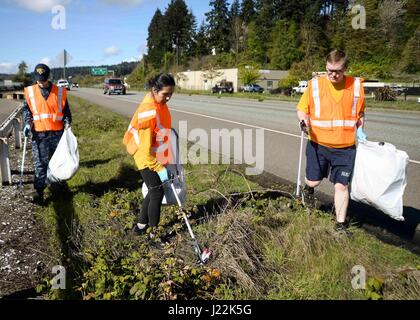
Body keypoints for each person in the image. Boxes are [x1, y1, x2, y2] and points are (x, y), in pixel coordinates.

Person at [296, 49, 367, 237]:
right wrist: (303, 121)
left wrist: (360, 127)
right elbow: (302, 109)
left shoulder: (357, 86)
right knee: (313, 180)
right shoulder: (315, 85)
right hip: (318, 144)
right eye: (329, 70)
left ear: (346, 68)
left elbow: (360, 112)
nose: (333, 75)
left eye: (338, 71)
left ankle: (340, 225)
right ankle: (308, 191)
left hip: (345, 148)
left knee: (342, 186)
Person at [123, 73, 175, 236]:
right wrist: (159, 168)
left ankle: (140, 226)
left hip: (154, 155)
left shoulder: (160, 104)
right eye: (165, 94)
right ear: (154, 90)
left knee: (153, 191)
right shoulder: (148, 111)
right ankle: (155, 234)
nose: (168, 98)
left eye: (171, 94)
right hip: (144, 156)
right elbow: (145, 150)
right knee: (157, 193)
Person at [23, 63, 72, 204]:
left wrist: (68, 123)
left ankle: (59, 190)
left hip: (57, 135)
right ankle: (39, 193)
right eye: (39, 79)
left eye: (43, 79)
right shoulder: (30, 92)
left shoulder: (60, 92)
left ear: (48, 77)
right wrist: (27, 123)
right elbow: (27, 111)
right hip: (39, 136)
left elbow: (66, 112)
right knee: (40, 165)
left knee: (58, 163)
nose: (41, 82)